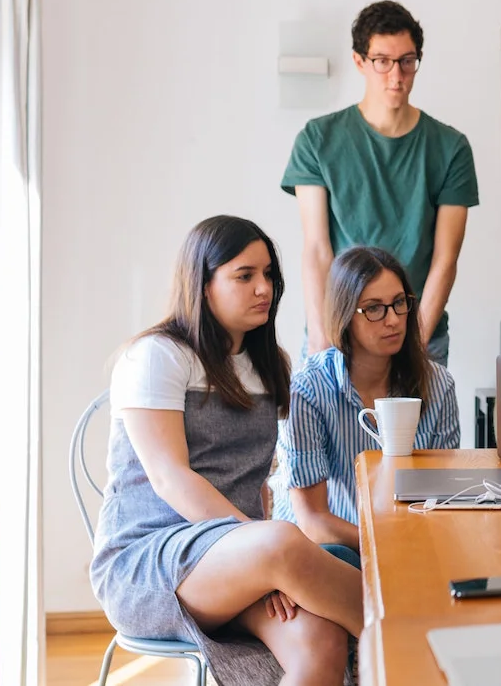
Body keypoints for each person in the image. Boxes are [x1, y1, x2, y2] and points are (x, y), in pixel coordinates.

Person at [91, 216, 361, 685]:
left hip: (238, 559)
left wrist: (259, 555)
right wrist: (258, 548)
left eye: (269, 276)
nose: (265, 289)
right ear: (203, 283)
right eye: (245, 276)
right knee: (283, 541)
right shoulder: (158, 355)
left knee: (322, 641)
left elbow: (255, 480)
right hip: (149, 563)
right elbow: (170, 477)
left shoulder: (268, 364)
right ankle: (416, 640)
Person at [283, 0, 479, 365]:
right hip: (339, 333)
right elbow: (316, 250)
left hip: (418, 332)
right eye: (382, 61)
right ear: (360, 61)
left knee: (420, 425)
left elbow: (445, 259)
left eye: (407, 61)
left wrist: (415, 345)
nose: (396, 75)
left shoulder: (450, 148)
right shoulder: (318, 140)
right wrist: (321, 339)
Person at [274, 246, 460, 556]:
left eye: (399, 304)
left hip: (407, 542)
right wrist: (386, 543)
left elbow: (441, 497)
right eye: (374, 308)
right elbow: (313, 521)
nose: (393, 320)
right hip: (326, 549)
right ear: (345, 315)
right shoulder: (307, 389)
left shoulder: (438, 384)